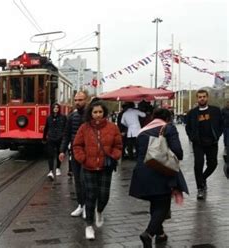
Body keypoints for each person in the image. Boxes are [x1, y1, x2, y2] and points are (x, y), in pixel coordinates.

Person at [129, 108, 188, 248]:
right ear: (168, 118)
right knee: (162, 205)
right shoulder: (168, 128)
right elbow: (178, 151)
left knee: (155, 204)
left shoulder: (142, 131)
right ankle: (148, 234)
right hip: (160, 171)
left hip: (142, 172)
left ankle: (160, 234)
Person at [72, 101, 122, 240]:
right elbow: (77, 145)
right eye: (95, 112)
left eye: (100, 112)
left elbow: (118, 145)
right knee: (90, 196)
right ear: (91, 114)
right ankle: (89, 225)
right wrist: (83, 159)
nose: (98, 115)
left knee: (104, 195)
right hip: (89, 167)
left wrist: (114, 156)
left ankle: (99, 210)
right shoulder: (84, 128)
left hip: (106, 167)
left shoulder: (113, 128)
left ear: (104, 113)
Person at [185, 89, 223, 200]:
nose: (202, 98)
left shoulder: (215, 111)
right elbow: (188, 127)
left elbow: (221, 124)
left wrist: (218, 135)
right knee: (198, 165)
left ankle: (203, 178)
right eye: (200, 97)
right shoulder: (192, 113)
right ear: (197, 98)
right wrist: (192, 138)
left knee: (213, 164)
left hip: (212, 142)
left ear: (207, 97)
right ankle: (200, 188)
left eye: (204, 96)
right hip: (198, 143)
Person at [59, 91, 88, 218]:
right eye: (76, 100)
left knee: (85, 180)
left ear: (85, 100)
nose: (77, 102)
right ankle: (81, 205)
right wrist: (62, 150)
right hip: (75, 153)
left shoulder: (91, 116)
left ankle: (88, 205)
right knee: (77, 180)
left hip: (88, 153)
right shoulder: (71, 117)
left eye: (80, 100)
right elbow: (66, 135)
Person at [43, 103, 66, 180]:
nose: (56, 108)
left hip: (60, 138)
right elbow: (46, 128)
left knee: (59, 154)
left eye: (57, 107)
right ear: (52, 109)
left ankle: (58, 168)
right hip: (51, 138)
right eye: (54, 107)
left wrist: (64, 136)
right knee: (50, 155)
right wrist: (44, 138)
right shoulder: (49, 118)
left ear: (59, 108)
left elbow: (65, 127)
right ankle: (50, 171)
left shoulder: (63, 117)